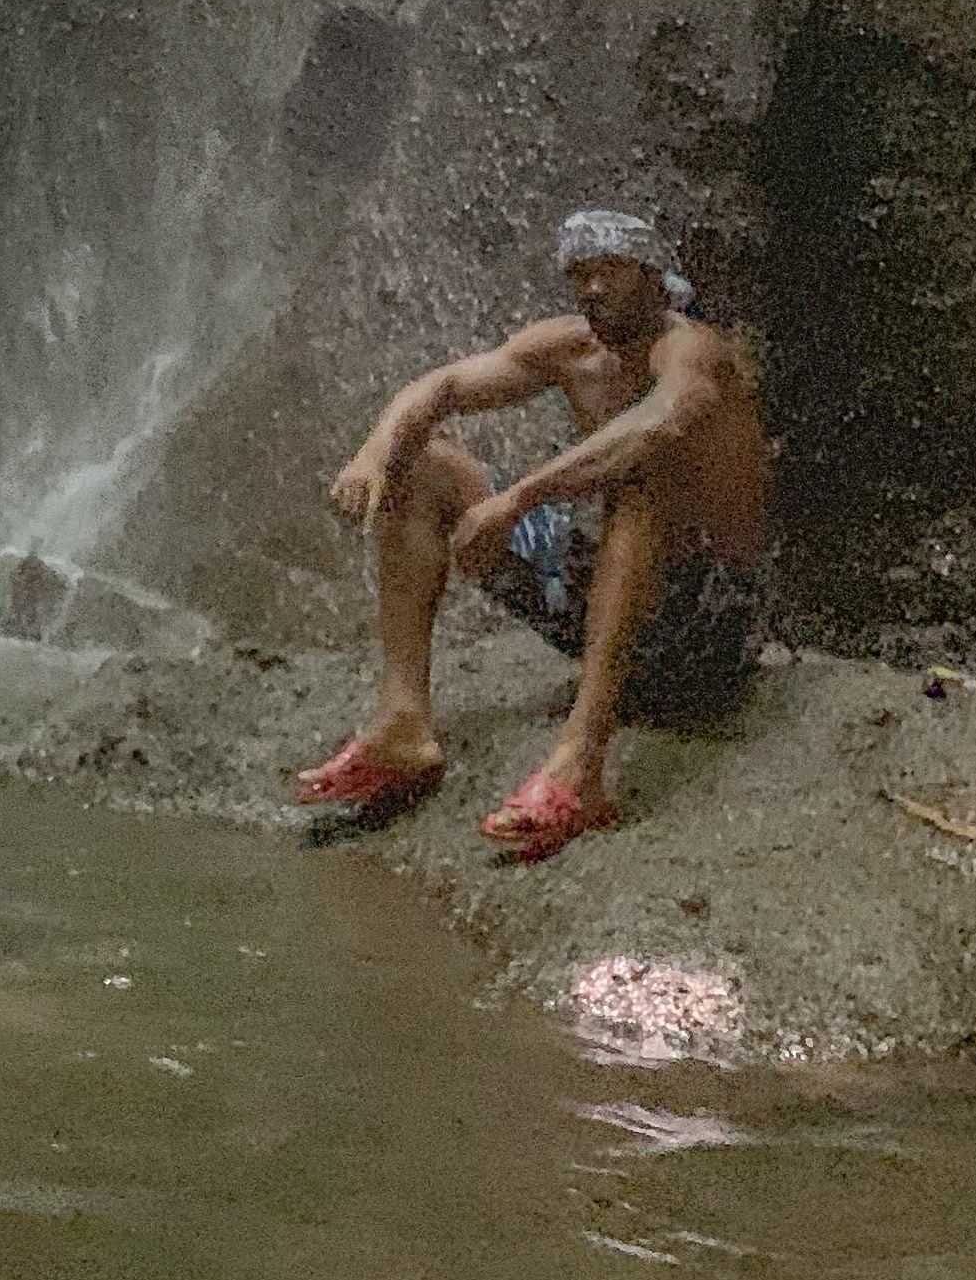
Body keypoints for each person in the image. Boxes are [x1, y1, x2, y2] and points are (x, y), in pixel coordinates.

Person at [292, 209, 769, 859]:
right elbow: (446, 385)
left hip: (706, 634)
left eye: (608, 273)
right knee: (422, 464)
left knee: (639, 485)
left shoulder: (693, 352)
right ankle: (402, 723)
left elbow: (654, 427)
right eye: (580, 275)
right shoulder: (572, 350)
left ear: (651, 277)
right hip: (610, 614)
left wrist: (518, 499)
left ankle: (580, 764)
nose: (592, 290)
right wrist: (376, 451)